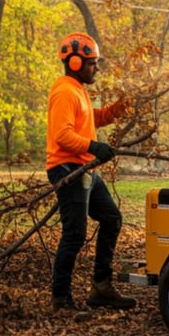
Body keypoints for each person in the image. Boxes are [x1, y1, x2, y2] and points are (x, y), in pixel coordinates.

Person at [46, 32, 136, 314]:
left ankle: (101, 287)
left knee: (111, 217)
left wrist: (117, 110)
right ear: (75, 62)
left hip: (83, 167)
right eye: (92, 63)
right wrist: (95, 146)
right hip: (67, 168)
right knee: (74, 234)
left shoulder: (78, 90)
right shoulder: (64, 91)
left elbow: (89, 119)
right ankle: (60, 300)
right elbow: (62, 135)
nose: (96, 67)